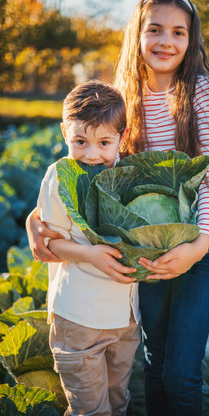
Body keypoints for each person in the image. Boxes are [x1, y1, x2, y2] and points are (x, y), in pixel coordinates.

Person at [27, 0, 209, 416]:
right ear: (137, 35)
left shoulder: (204, 91)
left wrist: (198, 244)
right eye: (155, 29)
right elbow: (90, 172)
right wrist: (37, 216)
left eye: (179, 32)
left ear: (191, 38)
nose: (166, 41)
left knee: (181, 371)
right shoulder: (124, 94)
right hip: (143, 238)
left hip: (205, 237)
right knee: (154, 357)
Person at [35, 80, 140, 416]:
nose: (92, 154)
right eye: (80, 141)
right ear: (65, 131)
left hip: (125, 319)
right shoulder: (59, 175)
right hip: (78, 317)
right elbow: (52, 241)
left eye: (104, 142)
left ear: (122, 138)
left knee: (118, 401)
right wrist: (91, 254)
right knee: (91, 410)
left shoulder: (128, 173)